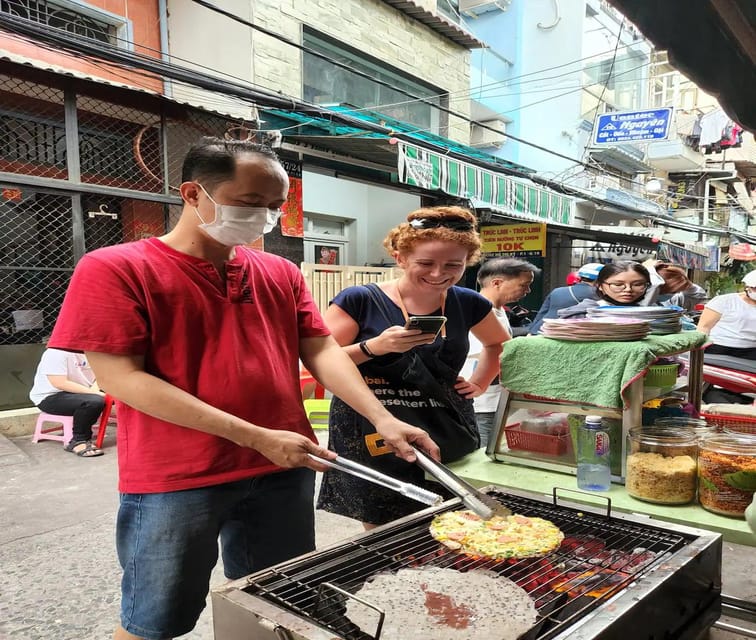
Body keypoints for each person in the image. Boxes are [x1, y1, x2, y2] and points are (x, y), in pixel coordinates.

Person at [47, 137, 438, 640]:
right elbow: (122, 378)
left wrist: (381, 416)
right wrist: (254, 435)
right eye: (251, 204)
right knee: (153, 619)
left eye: (274, 207)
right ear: (193, 194)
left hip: (283, 465)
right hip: (178, 475)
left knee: (275, 602)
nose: (265, 219)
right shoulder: (116, 268)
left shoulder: (278, 271)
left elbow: (320, 350)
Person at [317, 206, 509, 528]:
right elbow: (320, 360)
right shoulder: (359, 299)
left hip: (443, 420)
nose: (438, 274)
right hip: (372, 423)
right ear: (400, 257)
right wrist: (374, 347)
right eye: (425, 263)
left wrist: (479, 382)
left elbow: (497, 345)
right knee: (385, 517)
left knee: (452, 512)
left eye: (453, 265)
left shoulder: (468, 302)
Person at [461, 257, 539, 447]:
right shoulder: (476, 312)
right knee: (483, 454)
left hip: (495, 399)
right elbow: (482, 358)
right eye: (524, 285)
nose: (527, 291)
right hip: (482, 404)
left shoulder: (497, 310)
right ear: (497, 283)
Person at [29, 347, 105, 457]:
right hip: (50, 396)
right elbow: (60, 383)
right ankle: (79, 440)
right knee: (93, 402)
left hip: (83, 393)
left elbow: (101, 376)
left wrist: (95, 391)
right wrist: (94, 393)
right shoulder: (56, 353)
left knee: (119, 394)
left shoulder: (95, 352)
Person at [558, 261, 653, 319]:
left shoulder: (655, 314)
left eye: (638, 284)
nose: (628, 289)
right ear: (600, 285)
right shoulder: (583, 313)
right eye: (618, 284)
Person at [529, 262, 603, 334]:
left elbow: (540, 315)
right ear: (600, 280)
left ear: (580, 277)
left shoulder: (557, 291)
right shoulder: (598, 294)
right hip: (562, 335)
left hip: (540, 330)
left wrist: (531, 331)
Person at [697, 270, 756, 360]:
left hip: (750, 351)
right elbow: (704, 327)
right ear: (747, 287)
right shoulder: (725, 301)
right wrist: (698, 349)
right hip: (718, 347)